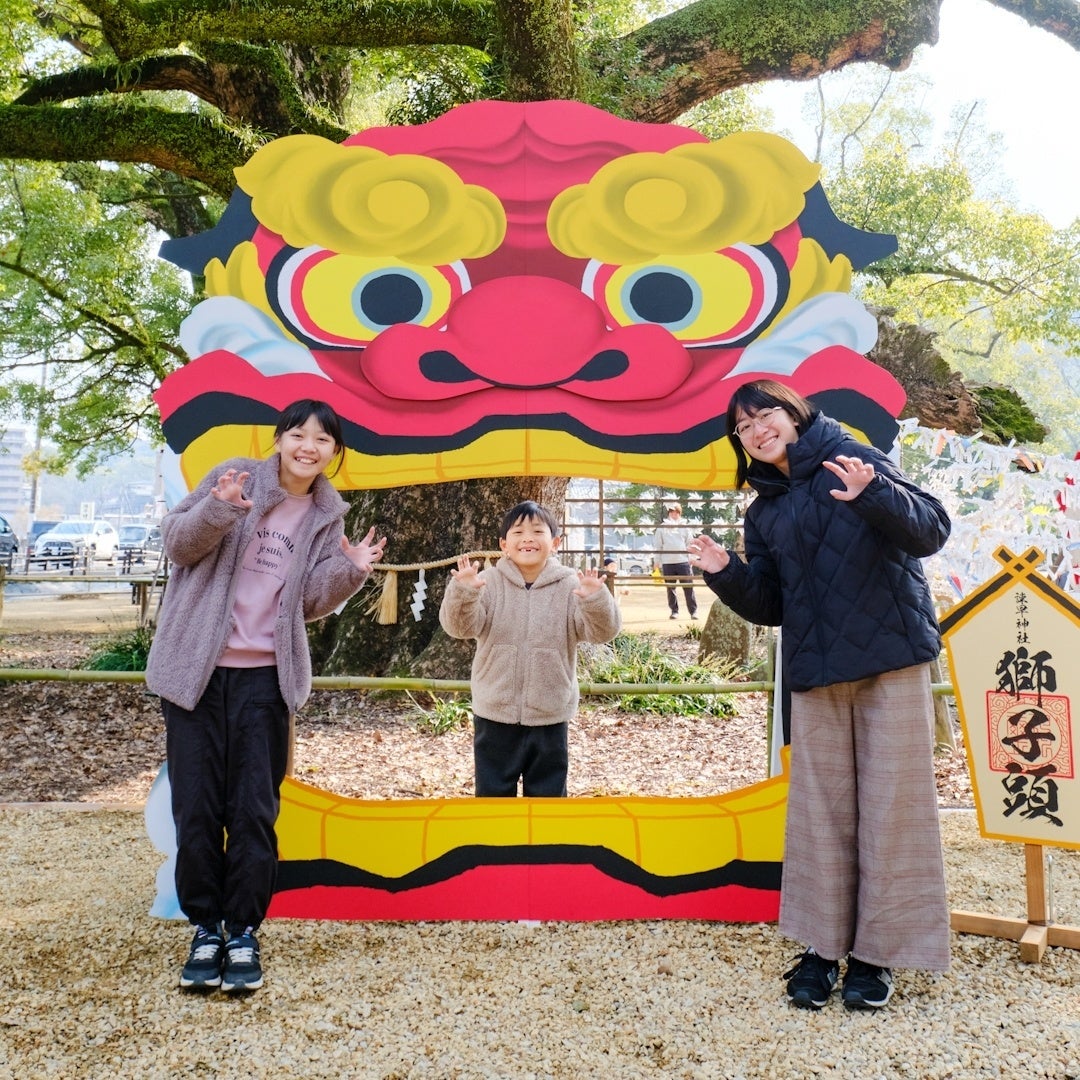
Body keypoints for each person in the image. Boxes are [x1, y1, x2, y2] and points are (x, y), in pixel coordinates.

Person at [687, 379, 951, 1011]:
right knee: (819, 814)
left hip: (890, 659)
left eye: (765, 415)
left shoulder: (849, 456)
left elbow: (931, 530)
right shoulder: (764, 511)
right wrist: (727, 573)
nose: (757, 431)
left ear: (795, 413)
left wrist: (874, 493)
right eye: (744, 427)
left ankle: (876, 955)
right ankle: (822, 947)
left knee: (892, 809)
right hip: (816, 672)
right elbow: (773, 605)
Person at [145, 399, 386, 994]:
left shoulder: (327, 514)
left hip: (265, 679)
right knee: (197, 806)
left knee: (255, 809)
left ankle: (243, 932)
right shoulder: (235, 477)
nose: (308, 446)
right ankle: (205, 929)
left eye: (322, 439)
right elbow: (178, 544)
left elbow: (307, 602)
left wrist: (350, 569)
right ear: (279, 439)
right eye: (298, 434)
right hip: (196, 672)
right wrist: (221, 509)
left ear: (335, 452)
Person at [439, 500, 621, 797]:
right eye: (518, 532)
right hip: (495, 713)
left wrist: (594, 600)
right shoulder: (488, 582)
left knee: (548, 800)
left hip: (550, 713)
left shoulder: (570, 585)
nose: (528, 538)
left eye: (538, 531)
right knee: (493, 799)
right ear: (504, 544)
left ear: (555, 543)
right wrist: (464, 592)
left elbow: (602, 633)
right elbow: (459, 628)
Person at [653, 503, 698, 620]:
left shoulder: (685, 527)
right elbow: (658, 545)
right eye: (672, 512)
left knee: (688, 588)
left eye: (676, 512)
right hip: (668, 562)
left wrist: (692, 558)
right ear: (668, 513)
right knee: (670, 588)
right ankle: (674, 611)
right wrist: (656, 562)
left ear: (679, 513)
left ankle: (693, 611)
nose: (674, 514)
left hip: (683, 562)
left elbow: (690, 543)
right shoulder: (662, 528)